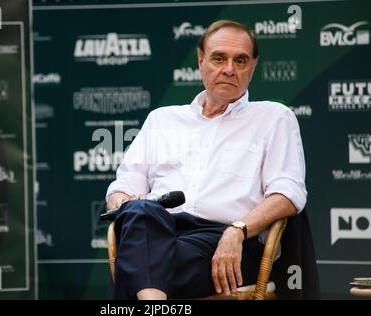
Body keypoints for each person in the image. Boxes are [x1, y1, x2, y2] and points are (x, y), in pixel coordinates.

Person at [105, 20, 307, 300]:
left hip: (225, 243)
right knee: (140, 212)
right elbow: (122, 186)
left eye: (240, 60)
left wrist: (238, 230)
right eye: (219, 58)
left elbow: (288, 193)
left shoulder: (274, 118)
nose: (229, 69)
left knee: (134, 264)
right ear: (201, 61)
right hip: (157, 231)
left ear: (253, 67)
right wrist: (123, 203)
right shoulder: (162, 119)